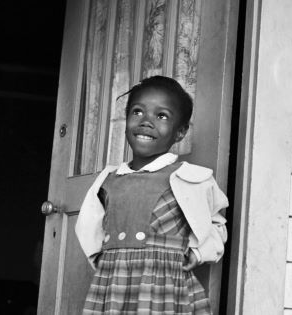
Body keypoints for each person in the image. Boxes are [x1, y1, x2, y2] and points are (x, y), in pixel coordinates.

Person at [75, 76, 228, 314]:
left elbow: (217, 224)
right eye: (137, 112)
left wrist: (198, 253)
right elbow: (89, 225)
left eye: (162, 116)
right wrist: (101, 259)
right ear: (125, 121)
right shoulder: (109, 179)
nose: (146, 121)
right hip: (115, 283)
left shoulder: (191, 179)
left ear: (180, 132)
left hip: (165, 288)